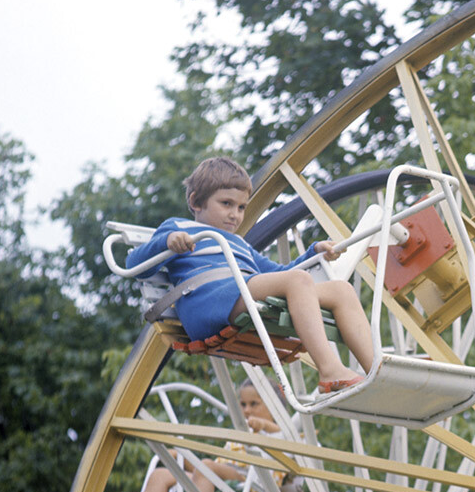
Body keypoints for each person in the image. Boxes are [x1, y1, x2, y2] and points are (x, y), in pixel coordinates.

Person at [126, 156, 375, 392]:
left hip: (241, 292)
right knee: (297, 281)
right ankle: (330, 370)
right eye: (226, 204)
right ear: (195, 202)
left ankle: (375, 369)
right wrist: (166, 242)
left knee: (341, 290)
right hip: (209, 301)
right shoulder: (179, 228)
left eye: (241, 206)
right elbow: (135, 265)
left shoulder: (240, 244)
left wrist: (314, 252)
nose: (235, 214)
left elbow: (284, 274)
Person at [134, 380, 296, 492]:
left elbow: (286, 435)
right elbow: (213, 469)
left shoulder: (281, 434)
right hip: (218, 476)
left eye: (254, 404)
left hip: (252, 482)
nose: (247, 410)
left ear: (274, 407)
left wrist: (263, 425)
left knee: (206, 467)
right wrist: (181, 456)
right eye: (243, 404)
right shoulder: (242, 432)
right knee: (161, 474)